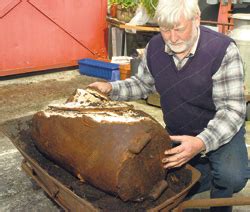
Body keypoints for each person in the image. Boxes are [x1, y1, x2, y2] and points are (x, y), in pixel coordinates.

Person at [89, 0, 248, 211]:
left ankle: (219, 198)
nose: (172, 38)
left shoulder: (222, 50)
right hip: (178, 131)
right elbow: (142, 84)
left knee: (231, 177)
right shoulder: (155, 47)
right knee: (158, 176)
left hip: (219, 130)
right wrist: (110, 88)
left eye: (179, 29)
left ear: (196, 19)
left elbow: (232, 110)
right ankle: (200, 168)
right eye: (165, 30)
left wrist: (201, 143)